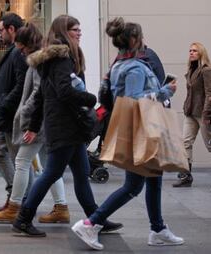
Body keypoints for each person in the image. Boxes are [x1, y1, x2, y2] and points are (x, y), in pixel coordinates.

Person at [72, 17, 184, 250]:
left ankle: (158, 229)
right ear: (134, 40)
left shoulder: (120, 65)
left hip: (141, 130)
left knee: (154, 179)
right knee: (133, 186)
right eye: (141, 37)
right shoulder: (133, 68)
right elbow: (133, 101)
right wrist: (164, 92)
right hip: (139, 131)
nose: (144, 41)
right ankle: (90, 223)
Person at [12, 15, 122, 237]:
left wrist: (34, 126)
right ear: (64, 31)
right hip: (65, 125)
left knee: (81, 174)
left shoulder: (53, 58)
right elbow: (63, 91)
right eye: (75, 29)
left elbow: (43, 94)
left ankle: (95, 219)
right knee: (52, 172)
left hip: (66, 125)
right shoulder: (62, 57)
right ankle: (23, 218)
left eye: (80, 29)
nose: (79, 33)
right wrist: (90, 99)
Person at [0, 23, 70, 223]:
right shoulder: (46, 59)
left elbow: (37, 93)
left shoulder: (39, 62)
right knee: (49, 167)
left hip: (38, 122)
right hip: (46, 121)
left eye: (22, 48)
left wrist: (26, 116)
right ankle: (61, 206)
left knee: (22, 162)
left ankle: (16, 206)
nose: (20, 52)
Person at [0, 12, 28, 212]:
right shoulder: (14, 50)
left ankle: (19, 199)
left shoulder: (19, 52)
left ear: (11, 29)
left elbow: (22, 84)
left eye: (1, 30)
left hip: (13, 114)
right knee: (1, 153)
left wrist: (6, 103)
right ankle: (16, 194)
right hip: (8, 113)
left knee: (19, 160)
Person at [172, 42, 211, 187]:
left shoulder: (206, 71)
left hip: (203, 113)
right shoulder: (191, 71)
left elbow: (209, 93)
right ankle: (185, 176)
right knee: (185, 143)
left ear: (201, 53)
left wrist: (207, 114)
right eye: (190, 51)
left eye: (194, 51)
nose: (191, 53)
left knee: (210, 145)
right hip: (190, 113)